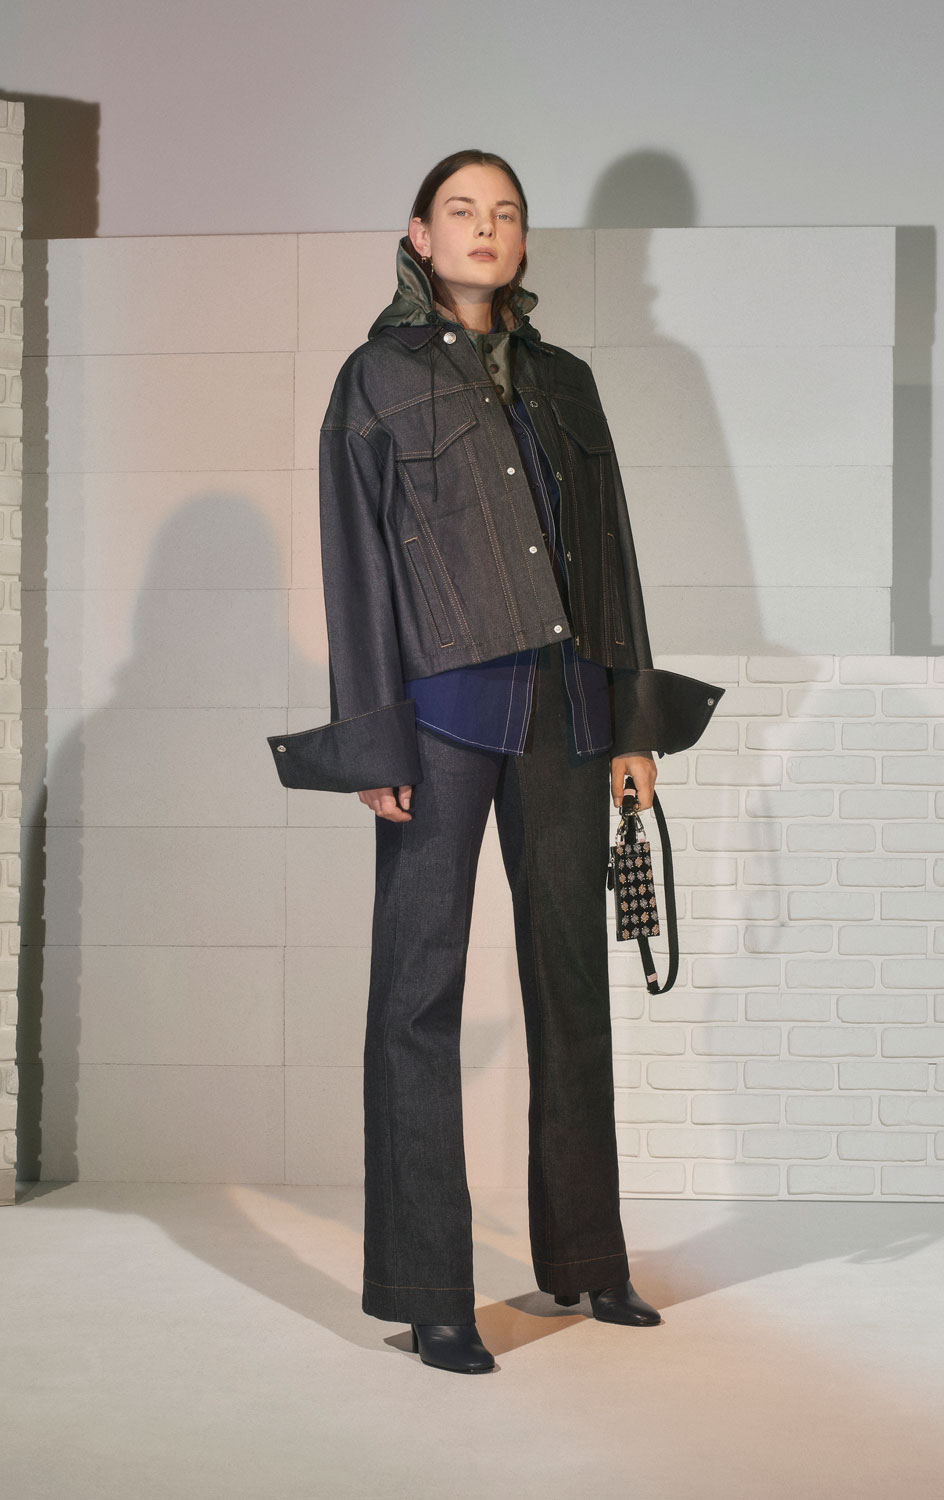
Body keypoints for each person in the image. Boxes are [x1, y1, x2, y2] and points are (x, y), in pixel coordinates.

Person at [270, 149, 723, 1374]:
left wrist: (632, 725)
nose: (485, 228)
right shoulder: (377, 378)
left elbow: (612, 555)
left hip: (568, 713)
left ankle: (586, 1260)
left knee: (571, 985)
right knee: (417, 995)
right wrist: (373, 736)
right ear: (420, 235)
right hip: (439, 718)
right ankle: (431, 1292)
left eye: (505, 213)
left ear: (522, 241)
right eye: (460, 211)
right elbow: (357, 565)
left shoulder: (568, 382)